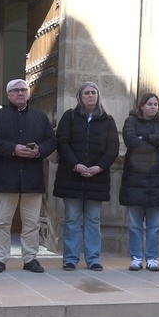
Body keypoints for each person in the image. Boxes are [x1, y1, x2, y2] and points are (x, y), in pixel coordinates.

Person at [0, 78, 57, 274]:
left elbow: (52, 141)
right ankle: (0, 258)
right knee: (2, 222)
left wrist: (39, 150)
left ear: (28, 93)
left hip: (32, 179)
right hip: (6, 178)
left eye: (23, 89)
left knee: (31, 223)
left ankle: (30, 258)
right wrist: (12, 149)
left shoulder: (40, 117)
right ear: (9, 95)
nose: (20, 93)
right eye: (15, 90)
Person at [54, 82, 119, 272]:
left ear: (98, 96)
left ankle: (93, 259)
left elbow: (113, 148)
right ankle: (70, 259)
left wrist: (99, 167)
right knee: (72, 219)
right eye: (86, 93)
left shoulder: (108, 120)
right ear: (80, 97)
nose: (90, 96)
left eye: (93, 93)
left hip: (96, 178)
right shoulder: (70, 116)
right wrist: (76, 165)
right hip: (71, 177)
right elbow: (62, 143)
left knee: (93, 220)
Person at [119, 92, 159, 272]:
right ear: (141, 106)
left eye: (155, 104)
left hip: (157, 181)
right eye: (149, 104)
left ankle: (152, 258)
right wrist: (156, 144)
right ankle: (136, 257)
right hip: (135, 179)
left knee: (154, 226)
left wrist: (146, 138)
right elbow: (130, 140)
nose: (153, 107)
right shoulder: (131, 121)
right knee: (135, 225)